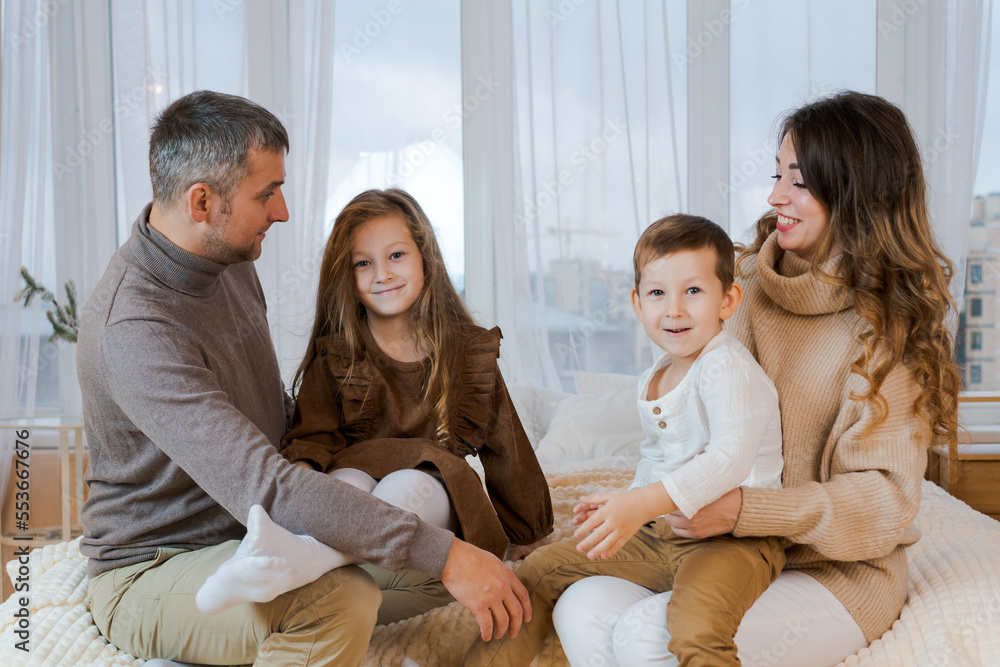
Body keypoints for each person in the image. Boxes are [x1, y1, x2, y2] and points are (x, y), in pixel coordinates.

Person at [77, 90, 533, 667]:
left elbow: (285, 426)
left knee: (466, 572)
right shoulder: (134, 329)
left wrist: (446, 546)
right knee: (339, 596)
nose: (283, 211)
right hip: (158, 564)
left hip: (260, 536)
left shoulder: (231, 263)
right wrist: (443, 554)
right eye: (267, 193)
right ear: (201, 203)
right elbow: (265, 485)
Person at [549, 91, 962, 666]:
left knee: (650, 634)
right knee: (582, 600)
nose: (774, 198)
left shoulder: (887, 332)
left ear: (857, 190)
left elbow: (886, 503)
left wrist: (748, 511)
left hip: (830, 572)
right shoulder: (736, 282)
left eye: (798, 181)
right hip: (715, 552)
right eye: (776, 175)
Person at [196, 188, 554, 622]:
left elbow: (507, 447)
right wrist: (297, 504)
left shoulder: (467, 353)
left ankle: (300, 560)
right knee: (343, 483)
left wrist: (529, 532)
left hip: (433, 497)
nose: (382, 273)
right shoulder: (338, 354)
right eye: (363, 263)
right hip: (358, 486)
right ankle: (291, 549)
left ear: (426, 257)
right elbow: (314, 438)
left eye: (397, 255)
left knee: (405, 487)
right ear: (347, 276)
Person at [465, 214, 787, 666]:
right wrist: (627, 504)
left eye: (693, 291)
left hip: (734, 540)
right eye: (658, 293)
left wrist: (641, 505)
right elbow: (659, 458)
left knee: (696, 626)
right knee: (539, 570)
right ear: (637, 303)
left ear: (728, 300)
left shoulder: (726, 367)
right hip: (664, 532)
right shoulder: (657, 374)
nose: (673, 309)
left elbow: (729, 460)